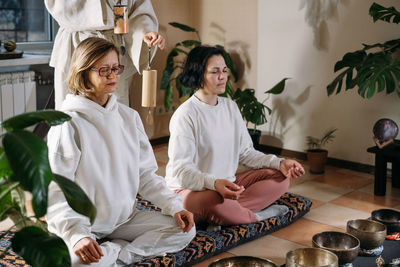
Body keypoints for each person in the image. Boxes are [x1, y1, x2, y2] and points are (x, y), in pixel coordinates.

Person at [45, 37, 195, 267]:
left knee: (185, 229)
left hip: (126, 219)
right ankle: (110, 250)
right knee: (76, 262)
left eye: (116, 68)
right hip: (83, 224)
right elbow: (56, 189)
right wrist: (77, 236)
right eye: (104, 70)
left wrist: (174, 206)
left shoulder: (129, 117)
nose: (113, 75)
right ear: (83, 72)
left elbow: (145, 175)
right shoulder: (67, 123)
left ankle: (121, 254)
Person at [165, 46, 305, 228]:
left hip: (227, 187)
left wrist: (280, 163)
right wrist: (214, 184)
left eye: (224, 71)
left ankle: (228, 213)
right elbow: (181, 172)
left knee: (281, 177)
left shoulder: (230, 107)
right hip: (191, 191)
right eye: (215, 72)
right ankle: (256, 216)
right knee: (212, 200)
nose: (222, 77)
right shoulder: (186, 115)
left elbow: (246, 153)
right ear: (198, 75)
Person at [45, 0, 165, 108]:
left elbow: (139, 10)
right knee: (73, 108)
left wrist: (145, 32)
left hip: (113, 43)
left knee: (115, 108)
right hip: (78, 42)